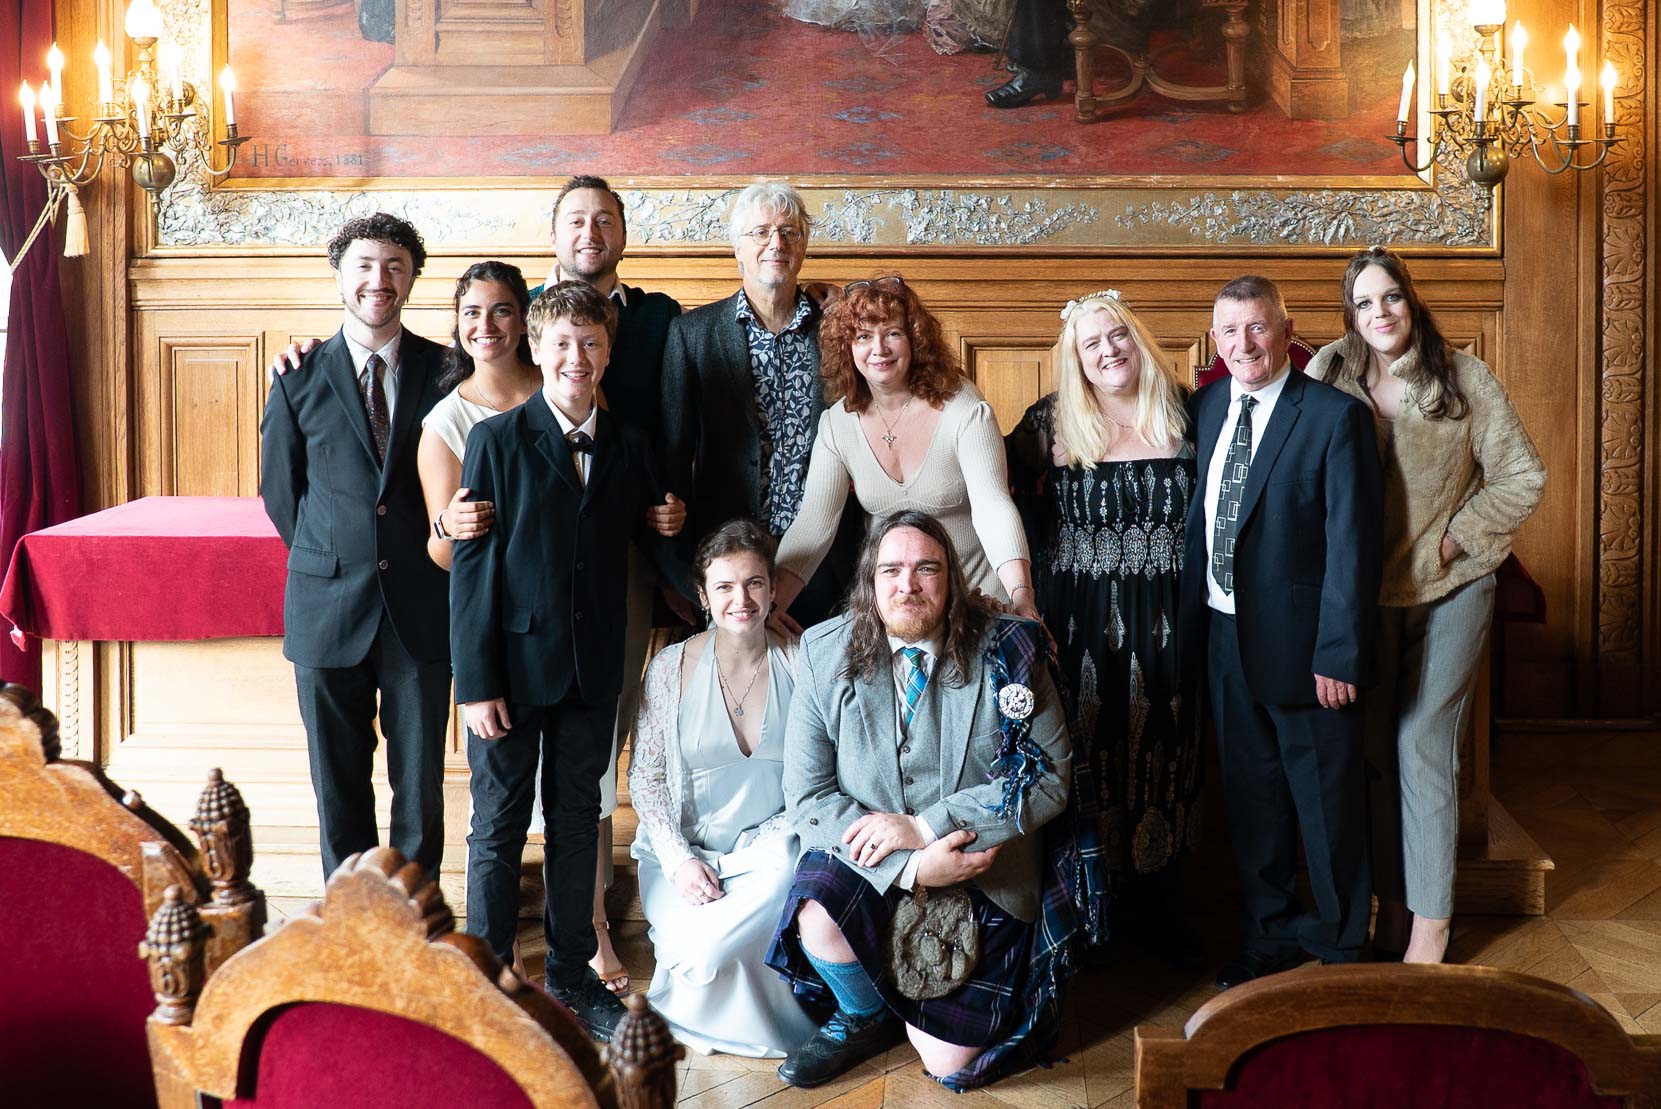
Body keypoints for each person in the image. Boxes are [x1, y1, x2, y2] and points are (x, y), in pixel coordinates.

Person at [448, 281, 692, 1041]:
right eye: (560, 344)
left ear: (608, 352)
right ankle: (489, 976)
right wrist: (476, 683)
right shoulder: (495, 441)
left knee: (578, 820)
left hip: (592, 668)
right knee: (497, 824)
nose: (575, 358)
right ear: (536, 349)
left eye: (590, 343)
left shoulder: (629, 444)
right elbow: (472, 573)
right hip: (511, 671)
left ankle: (570, 970)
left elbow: (651, 534)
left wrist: (678, 530)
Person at [767, 510, 1073, 1090]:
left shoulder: (1010, 648)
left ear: (951, 578)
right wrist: (910, 865)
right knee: (818, 915)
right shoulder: (823, 652)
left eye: (926, 569)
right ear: (870, 581)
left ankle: (912, 1013)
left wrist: (927, 827)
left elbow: (1048, 778)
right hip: (873, 858)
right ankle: (865, 1013)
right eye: (891, 570)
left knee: (947, 1062)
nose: (907, 585)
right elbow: (807, 794)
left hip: (984, 867)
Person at [1307, 247, 1545, 964]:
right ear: (1349, 315)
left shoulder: (1463, 377)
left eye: (1391, 297)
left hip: (1451, 587)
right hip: (1365, 598)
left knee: (1420, 744)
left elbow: (1521, 475)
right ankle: (1394, 908)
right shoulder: (1327, 373)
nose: (1380, 312)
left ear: (1410, 301)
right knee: (1376, 751)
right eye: (1364, 302)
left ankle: (1432, 926)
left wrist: (1454, 539)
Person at [1184, 275, 1383, 989]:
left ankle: (1342, 947)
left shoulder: (1334, 417)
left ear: (1287, 331)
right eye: (1229, 331)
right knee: (1253, 799)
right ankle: (1269, 934)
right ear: (1215, 340)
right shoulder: (1208, 407)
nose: (1244, 344)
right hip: (1224, 637)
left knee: (1327, 805)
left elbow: (1352, 546)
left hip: (1308, 651)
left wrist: (1339, 652)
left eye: (1258, 327)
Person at [1005, 289, 1203, 950]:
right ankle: (1091, 917)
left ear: (1137, 339)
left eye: (1117, 335)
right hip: (1080, 622)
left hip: (1170, 618)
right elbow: (994, 495)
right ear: (1077, 359)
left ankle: (1164, 911)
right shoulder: (1050, 423)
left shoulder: (1187, 411)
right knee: (1091, 749)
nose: (1108, 350)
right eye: (1091, 343)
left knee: (1167, 753)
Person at [259, 213, 454, 880]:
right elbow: (281, 494)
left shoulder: (448, 370)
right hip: (326, 606)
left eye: (395, 266)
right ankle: (349, 917)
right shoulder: (297, 375)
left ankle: (415, 915)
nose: (379, 279)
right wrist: (332, 554)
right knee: (337, 783)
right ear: (340, 276)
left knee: (420, 786)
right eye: (365, 265)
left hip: (420, 608)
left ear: (412, 280)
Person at [531, 176, 686, 996]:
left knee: (602, 738)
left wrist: (671, 503)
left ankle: (592, 916)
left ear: (623, 231)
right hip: (531, 564)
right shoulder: (518, 309)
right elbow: (459, 383)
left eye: (604, 218)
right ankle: (559, 914)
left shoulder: (659, 319)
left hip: (625, 555)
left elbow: (683, 422)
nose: (589, 231)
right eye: (574, 219)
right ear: (553, 232)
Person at [627, 519, 819, 1057]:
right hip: (684, 854)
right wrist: (678, 860)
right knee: (699, 955)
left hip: (771, 853)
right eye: (725, 586)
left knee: (770, 886)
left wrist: (768, 842)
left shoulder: (802, 662)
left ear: (774, 589)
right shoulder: (669, 668)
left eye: (755, 583)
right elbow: (645, 777)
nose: (742, 599)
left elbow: (819, 773)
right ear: (703, 596)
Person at [771, 275, 1036, 630]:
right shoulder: (837, 423)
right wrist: (768, 608)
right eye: (863, 337)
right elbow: (813, 526)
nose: (878, 349)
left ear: (915, 339)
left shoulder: (962, 406)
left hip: (976, 603)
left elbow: (993, 508)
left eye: (892, 333)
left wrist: (1021, 596)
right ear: (847, 347)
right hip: (896, 610)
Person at [660, 181, 862, 630]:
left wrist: (846, 301)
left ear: (803, 247)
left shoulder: (838, 330)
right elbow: (673, 457)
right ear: (737, 248)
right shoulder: (692, 334)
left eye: (789, 232)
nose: (776, 243)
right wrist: (678, 572)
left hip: (826, 561)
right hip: (729, 565)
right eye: (761, 232)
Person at [417, 261, 537, 571]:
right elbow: (443, 556)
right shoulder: (445, 423)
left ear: (523, 321)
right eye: (472, 312)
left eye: (501, 311)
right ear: (458, 323)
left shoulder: (564, 385)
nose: (486, 325)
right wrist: (449, 526)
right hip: (502, 583)